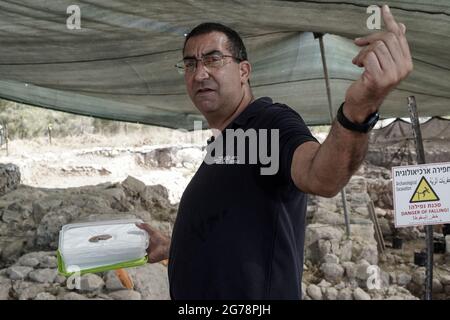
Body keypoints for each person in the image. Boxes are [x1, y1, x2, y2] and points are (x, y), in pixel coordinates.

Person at [137, 4, 413, 299]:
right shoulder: (224, 142)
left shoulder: (268, 122)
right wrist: (175, 246)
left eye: (213, 59)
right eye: (190, 64)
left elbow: (322, 177)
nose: (200, 73)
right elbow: (235, 232)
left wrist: (358, 111)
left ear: (244, 71)